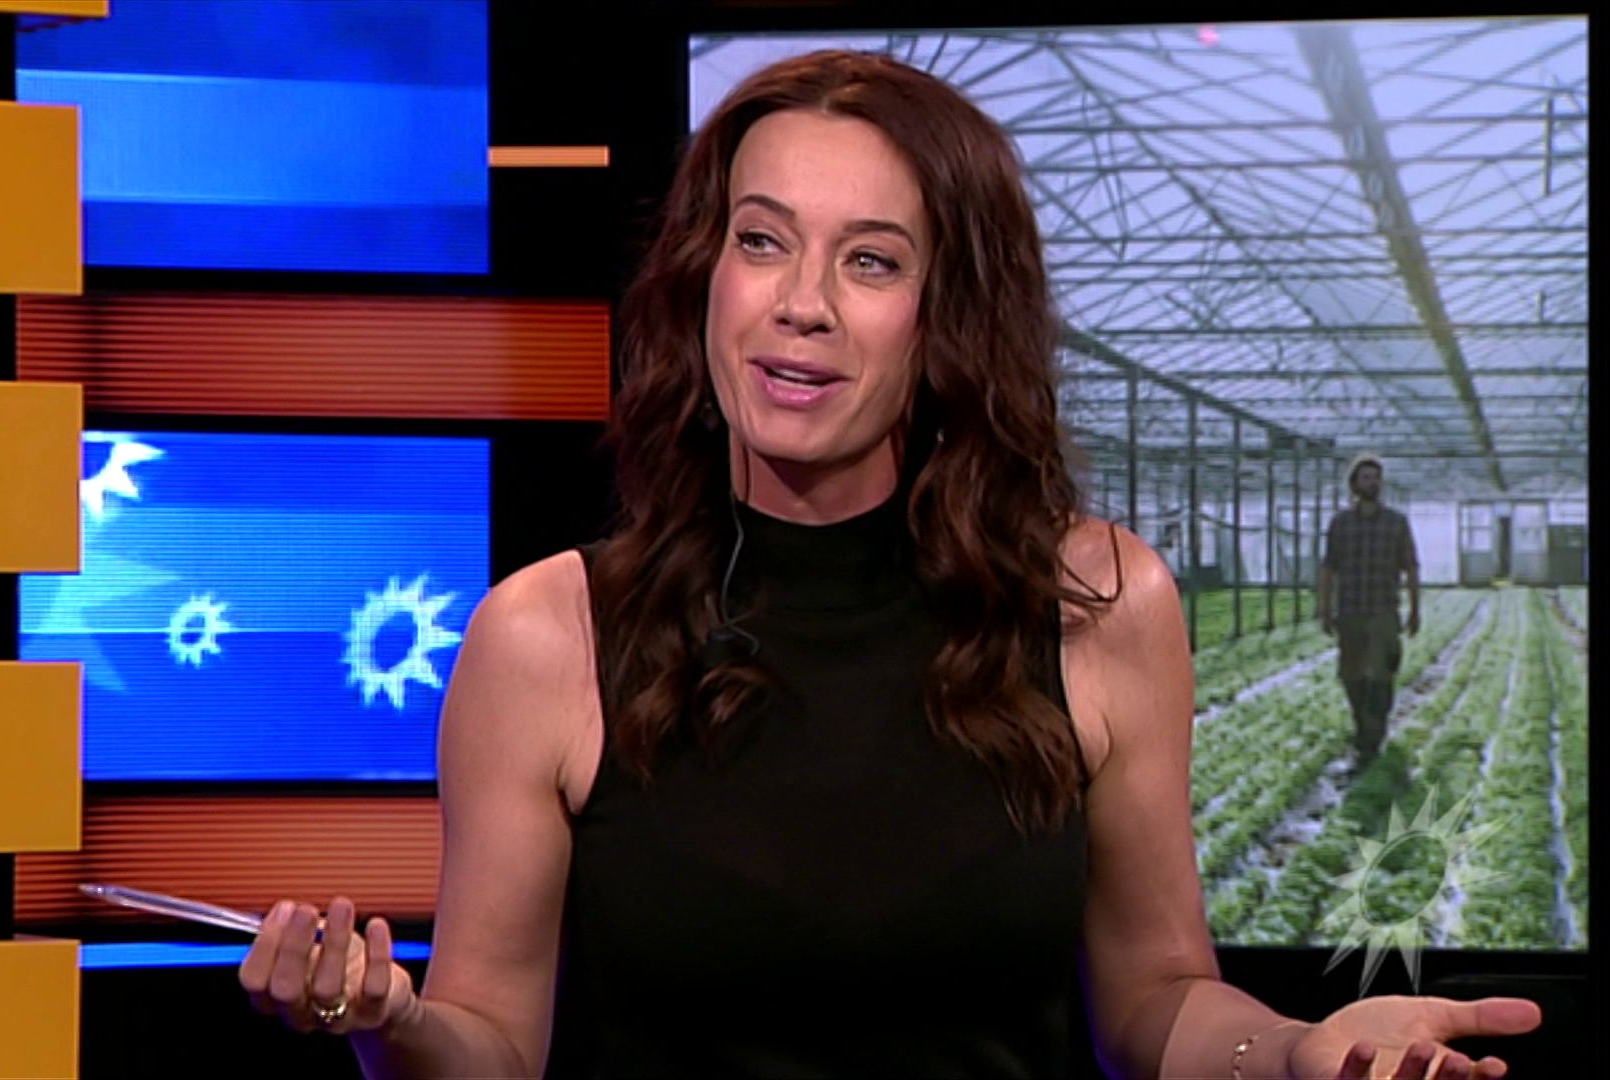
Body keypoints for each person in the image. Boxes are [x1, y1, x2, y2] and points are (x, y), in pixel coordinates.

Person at [238, 50, 1539, 1079]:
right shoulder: (548, 633)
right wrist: (386, 1022)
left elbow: (1156, 999)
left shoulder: (1099, 604)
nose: (800, 302)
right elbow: (489, 1048)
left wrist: (1301, 1051)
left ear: (949, 315)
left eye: (870, 261)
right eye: (761, 240)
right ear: (705, 276)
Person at [1317, 454, 1422, 766]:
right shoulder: (1340, 524)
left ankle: (1372, 736)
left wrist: (1415, 610)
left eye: (1376, 478)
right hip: (1350, 611)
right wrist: (1325, 608)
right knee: (1352, 676)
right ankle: (1363, 725)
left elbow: (1411, 567)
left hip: (1383, 611)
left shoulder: (1396, 523)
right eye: (1365, 478)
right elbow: (1329, 568)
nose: (1372, 483)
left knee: (1381, 676)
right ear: (1354, 485)